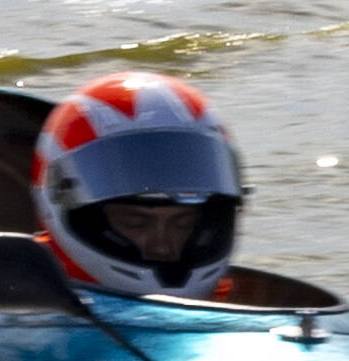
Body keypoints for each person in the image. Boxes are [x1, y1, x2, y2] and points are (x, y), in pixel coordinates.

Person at [33, 72, 250, 300]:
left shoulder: (239, 307)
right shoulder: (18, 298)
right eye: (136, 223)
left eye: (183, 224)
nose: (162, 248)